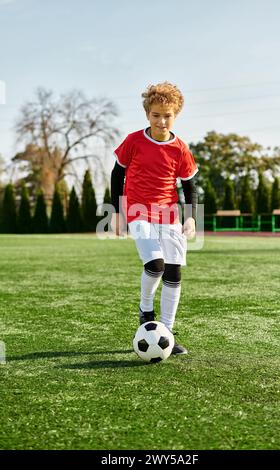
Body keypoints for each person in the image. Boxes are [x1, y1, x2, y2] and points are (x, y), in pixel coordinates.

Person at [110, 81, 198, 355]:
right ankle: (146, 310)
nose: (161, 120)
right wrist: (116, 212)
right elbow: (117, 174)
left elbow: (189, 185)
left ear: (176, 115)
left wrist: (191, 217)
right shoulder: (134, 141)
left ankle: (168, 332)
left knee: (174, 270)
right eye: (156, 115)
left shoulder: (180, 148)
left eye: (167, 115)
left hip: (169, 213)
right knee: (156, 265)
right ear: (147, 114)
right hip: (138, 210)